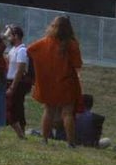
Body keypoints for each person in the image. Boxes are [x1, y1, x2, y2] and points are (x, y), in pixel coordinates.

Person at [27, 15, 82, 145]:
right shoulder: (72, 44)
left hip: (49, 83)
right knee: (67, 113)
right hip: (66, 83)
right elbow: (77, 64)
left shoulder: (45, 42)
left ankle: (45, 139)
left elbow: (30, 50)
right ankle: (71, 143)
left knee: (48, 111)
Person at [3, 24, 31, 140]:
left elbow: (20, 69)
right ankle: (21, 132)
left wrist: (13, 86)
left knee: (10, 108)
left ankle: (20, 133)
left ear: (16, 36)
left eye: (10, 35)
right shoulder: (13, 50)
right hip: (10, 80)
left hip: (17, 82)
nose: (8, 38)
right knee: (17, 107)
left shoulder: (22, 51)